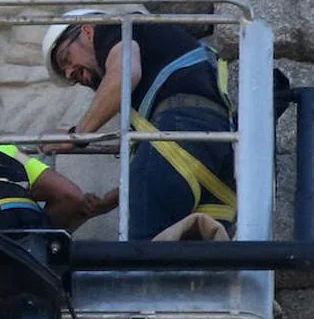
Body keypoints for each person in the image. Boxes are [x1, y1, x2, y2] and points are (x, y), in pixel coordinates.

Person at [40, 18, 235, 240]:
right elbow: (158, 164)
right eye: (66, 74)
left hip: (179, 137)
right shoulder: (160, 72)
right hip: (217, 164)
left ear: (87, 31)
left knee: (141, 255)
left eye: (66, 58)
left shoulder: (114, 27)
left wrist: (77, 136)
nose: (69, 73)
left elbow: (124, 75)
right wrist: (109, 201)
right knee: (203, 266)